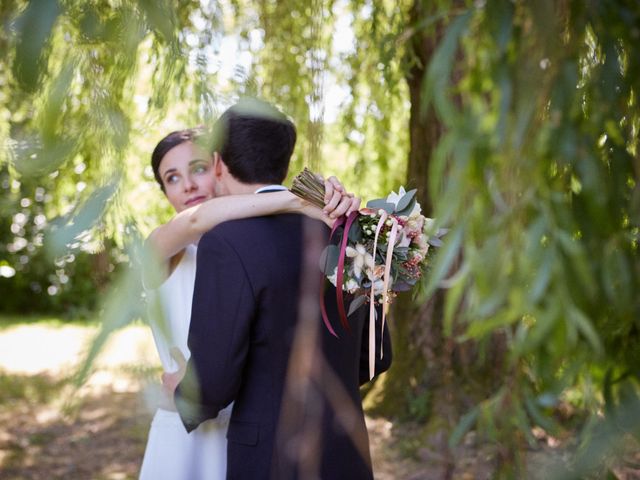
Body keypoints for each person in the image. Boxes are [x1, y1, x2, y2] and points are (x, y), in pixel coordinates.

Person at [173, 99, 392, 479]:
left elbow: (214, 380)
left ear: (219, 164)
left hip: (270, 458)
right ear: (286, 163)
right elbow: (378, 355)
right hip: (346, 451)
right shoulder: (348, 233)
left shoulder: (227, 241)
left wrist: (183, 393)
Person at [139, 127, 360, 480]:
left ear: (219, 167)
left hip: (244, 429)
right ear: (164, 190)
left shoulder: (252, 245)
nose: (188, 185)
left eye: (197, 168)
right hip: (187, 429)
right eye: (172, 178)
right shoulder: (159, 247)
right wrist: (295, 198)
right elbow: (197, 220)